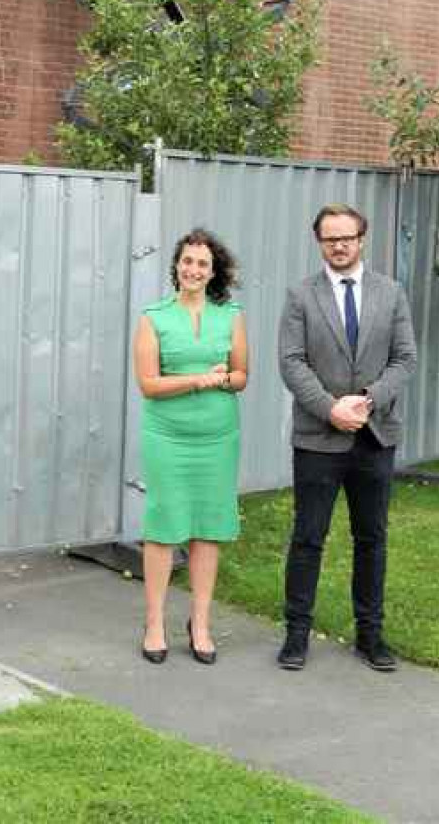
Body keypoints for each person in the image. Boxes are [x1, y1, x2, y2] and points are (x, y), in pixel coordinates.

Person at [277, 204, 417, 673]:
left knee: (371, 538)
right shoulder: (300, 296)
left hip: (375, 437)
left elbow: (404, 359)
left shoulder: (391, 293)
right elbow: (292, 362)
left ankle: (370, 635)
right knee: (308, 538)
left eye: (347, 237)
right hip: (318, 437)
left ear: (362, 239)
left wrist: (368, 400)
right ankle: (296, 634)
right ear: (319, 242)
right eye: (329, 238)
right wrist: (330, 408)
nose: (338, 245)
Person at [132, 228, 248, 666]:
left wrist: (222, 378)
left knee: (209, 527)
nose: (193, 269)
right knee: (164, 527)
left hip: (218, 439)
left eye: (202, 263)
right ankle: (155, 623)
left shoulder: (231, 315)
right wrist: (196, 380)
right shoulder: (153, 317)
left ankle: (199, 624)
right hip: (168, 438)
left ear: (212, 271)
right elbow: (148, 384)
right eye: (187, 261)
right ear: (176, 267)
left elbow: (242, 376)